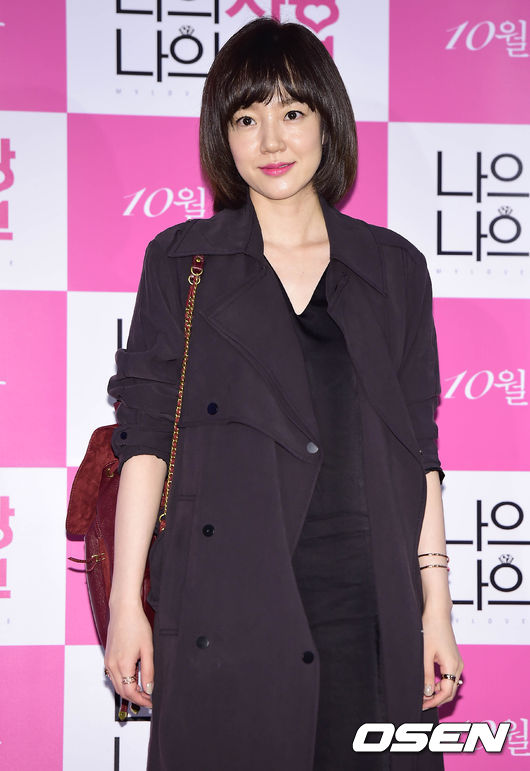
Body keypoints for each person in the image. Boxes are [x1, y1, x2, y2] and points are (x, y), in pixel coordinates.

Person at [104, 16, 463, 771]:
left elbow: (418, 453)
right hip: (226, 597)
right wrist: (125, 603)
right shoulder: (182, 263)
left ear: (328, 122)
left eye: (292, 112)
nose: (271, 139)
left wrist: (436, 608)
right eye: (246, 117)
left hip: (368, 602)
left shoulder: (392, 268)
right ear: (222, 135)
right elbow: (145, 440)